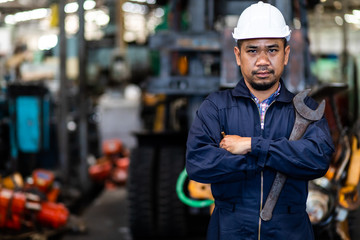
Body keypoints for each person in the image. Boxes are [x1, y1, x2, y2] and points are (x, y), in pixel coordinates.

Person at [185, 1, 334, 240]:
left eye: (272, 50)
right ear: (238, 55)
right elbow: (199, 164)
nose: (263, 60)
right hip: (231, 231)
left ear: (285, 55)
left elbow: (317, 160)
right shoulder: (216, 107)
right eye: (252, 50)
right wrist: (269, 159)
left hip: (290, 232)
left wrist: (253, 145)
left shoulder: (305, 110)